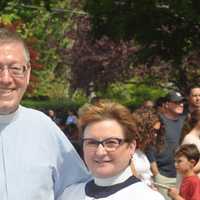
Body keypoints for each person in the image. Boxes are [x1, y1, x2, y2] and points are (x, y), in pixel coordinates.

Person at [0, 28, 90, 200]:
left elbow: (76, 189)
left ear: (27, 74)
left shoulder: (43, 127)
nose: (5, 79)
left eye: (15, 68)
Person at [58, 101, 165, 200]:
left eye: (111, 143)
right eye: (91, 142)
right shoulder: (69, 195)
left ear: (131, 147)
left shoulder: (147, 197)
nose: (100, 152)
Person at [146, 91, 187, 200]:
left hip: (182, 176)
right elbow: (150, 147)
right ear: (167, 104)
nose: (181, 104)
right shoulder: (158, 121)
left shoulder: (185, 121)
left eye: (182, 102)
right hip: (163, 176)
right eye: (177, 102)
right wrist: (157, 174)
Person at [131, 107, 165, 186]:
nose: (156, 135)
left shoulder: (142, 149)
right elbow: (133, 180)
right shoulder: (127, 149)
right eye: (153, 131)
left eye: (157, 131)